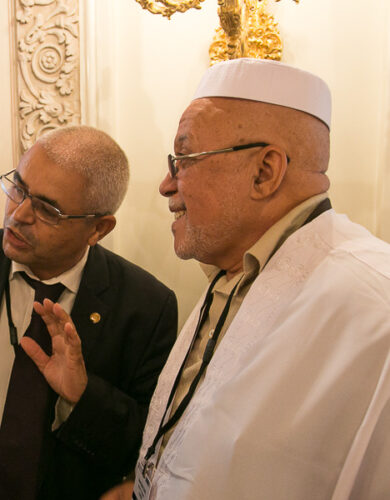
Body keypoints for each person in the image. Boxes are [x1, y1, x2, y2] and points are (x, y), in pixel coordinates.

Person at [104, 58, 390, 500]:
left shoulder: (376, 308)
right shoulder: (234, 269)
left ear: (264, 172)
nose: (165, 184)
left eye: (183, 159)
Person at [0, 125, 178, 500]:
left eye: (47, 209)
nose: (19, 214)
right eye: (19, 188)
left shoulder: (146, 307)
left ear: (98, 228)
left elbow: (144, 444)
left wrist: (82, 396)